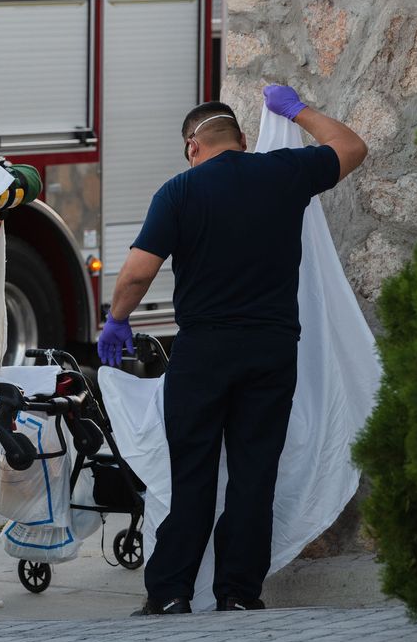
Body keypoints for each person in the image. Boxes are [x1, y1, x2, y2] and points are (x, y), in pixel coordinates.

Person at [98, 85, 368, 614]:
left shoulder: (178, 192)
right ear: (242, 140)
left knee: (192, 474)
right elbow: (352, 147)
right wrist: (298, 111)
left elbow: (137, 272)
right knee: (254, 474)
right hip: (271, 350)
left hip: (204, 352)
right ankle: (239, 594)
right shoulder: (284, 172)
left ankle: (171, 593)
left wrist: (117, 321)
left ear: (191, 147)